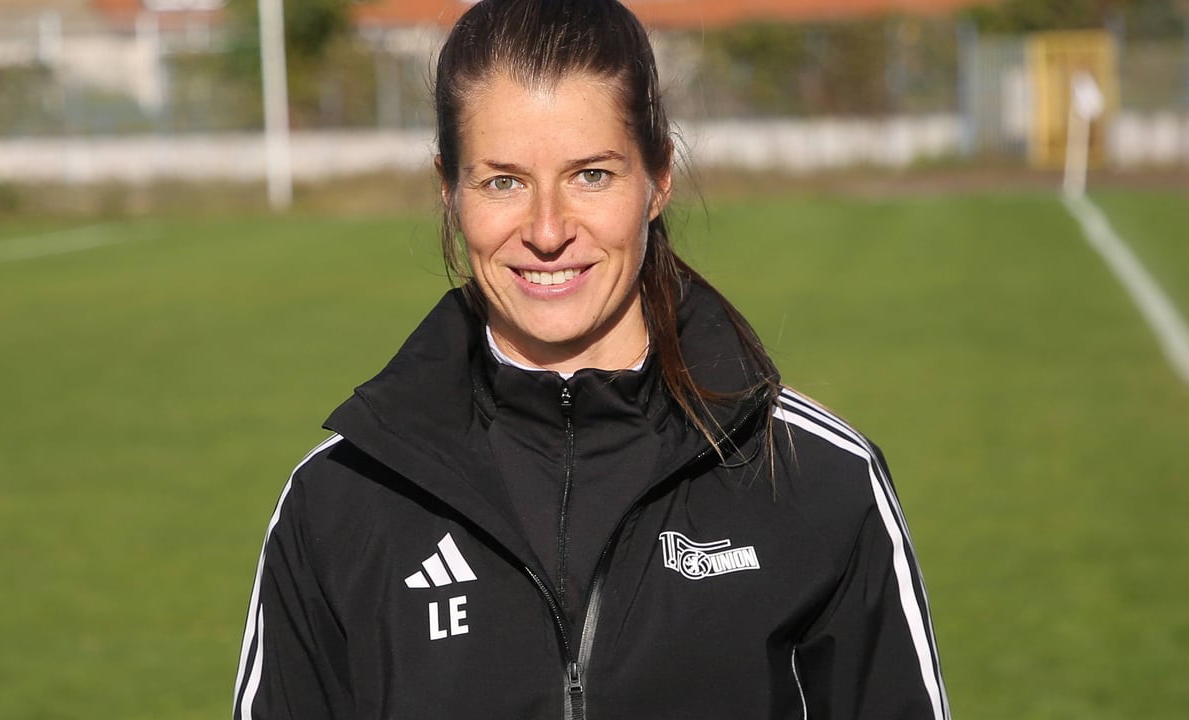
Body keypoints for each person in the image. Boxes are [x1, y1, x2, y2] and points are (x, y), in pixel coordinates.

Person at [232, 0, 949, 718]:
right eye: (503, 181)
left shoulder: (813, 478)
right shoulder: (339, 504)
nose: (548, 231)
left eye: (592, 175)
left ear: (658, 177)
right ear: (449, 189)